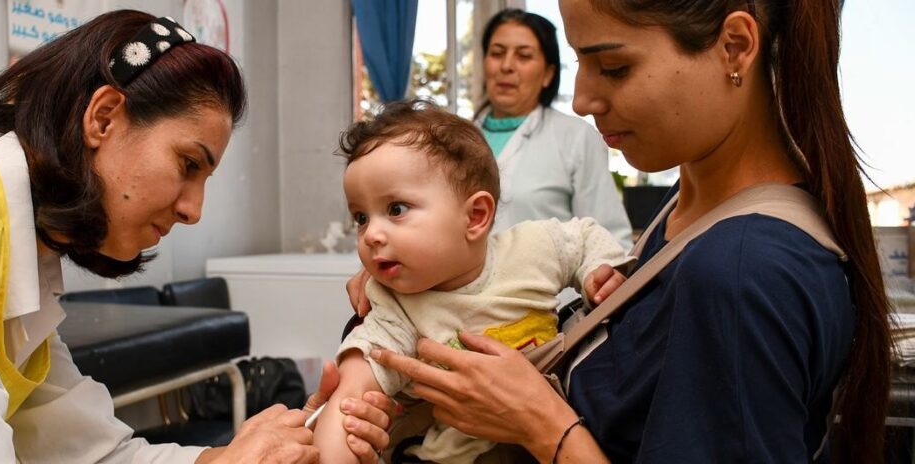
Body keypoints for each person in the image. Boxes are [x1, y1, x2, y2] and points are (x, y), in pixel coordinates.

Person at [358, 1, 892, 463]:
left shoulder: (741, 271)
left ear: (734, 46)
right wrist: (419, 286)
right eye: (579, 63)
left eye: (613, 67)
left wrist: (543, 427)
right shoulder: (686, 210)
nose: (584, 98)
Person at [0, 10, 393, 463]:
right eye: (188, 164)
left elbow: (95, 453)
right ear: (104, 117)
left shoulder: (24, 256)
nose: (194, 210)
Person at [314, 100, 632, 464]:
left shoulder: (534, 247)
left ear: (476, 216)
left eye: (396, 209)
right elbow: (350, 404)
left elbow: (585, 238)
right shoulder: (396, 310)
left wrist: (599, 271)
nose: (371, 234)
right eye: (361, 217)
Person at [476, 8, 632, 249]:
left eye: (524, 56)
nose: (506, 66)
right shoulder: (454, 139)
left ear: (548, 74)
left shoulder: (576, 137)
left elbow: (608, 239)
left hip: (550, 287)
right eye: (497, 53)